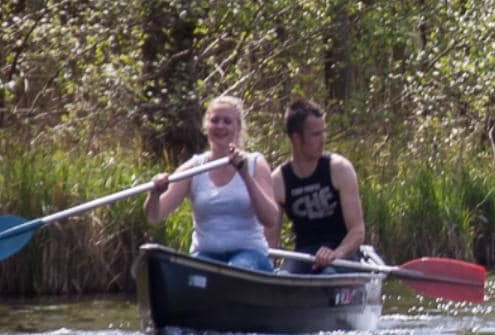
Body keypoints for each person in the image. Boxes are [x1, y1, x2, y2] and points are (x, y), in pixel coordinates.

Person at [146, 93, 282, 271]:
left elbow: (270, 218)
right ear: (206, 126)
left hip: (250, 254)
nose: (220, 126)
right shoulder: (194, 168)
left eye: (227, 121)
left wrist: (245, 175)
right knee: (197, 269)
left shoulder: (255, 163)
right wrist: (154, 193)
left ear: (238, 128)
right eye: (215, 120)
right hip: (205, 254)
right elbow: (154, 217)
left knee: (237, 268)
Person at [270, 98, 366, 271]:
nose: (323, 140)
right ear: (296, 138)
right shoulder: (278, 181)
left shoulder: (339, 169)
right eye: (316, 135)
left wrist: (337, 253)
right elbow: (270, 241)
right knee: (285, 280)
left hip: (343, 255)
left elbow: (357, 231)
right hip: (303, 255)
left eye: (323, 133)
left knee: (328, 274)